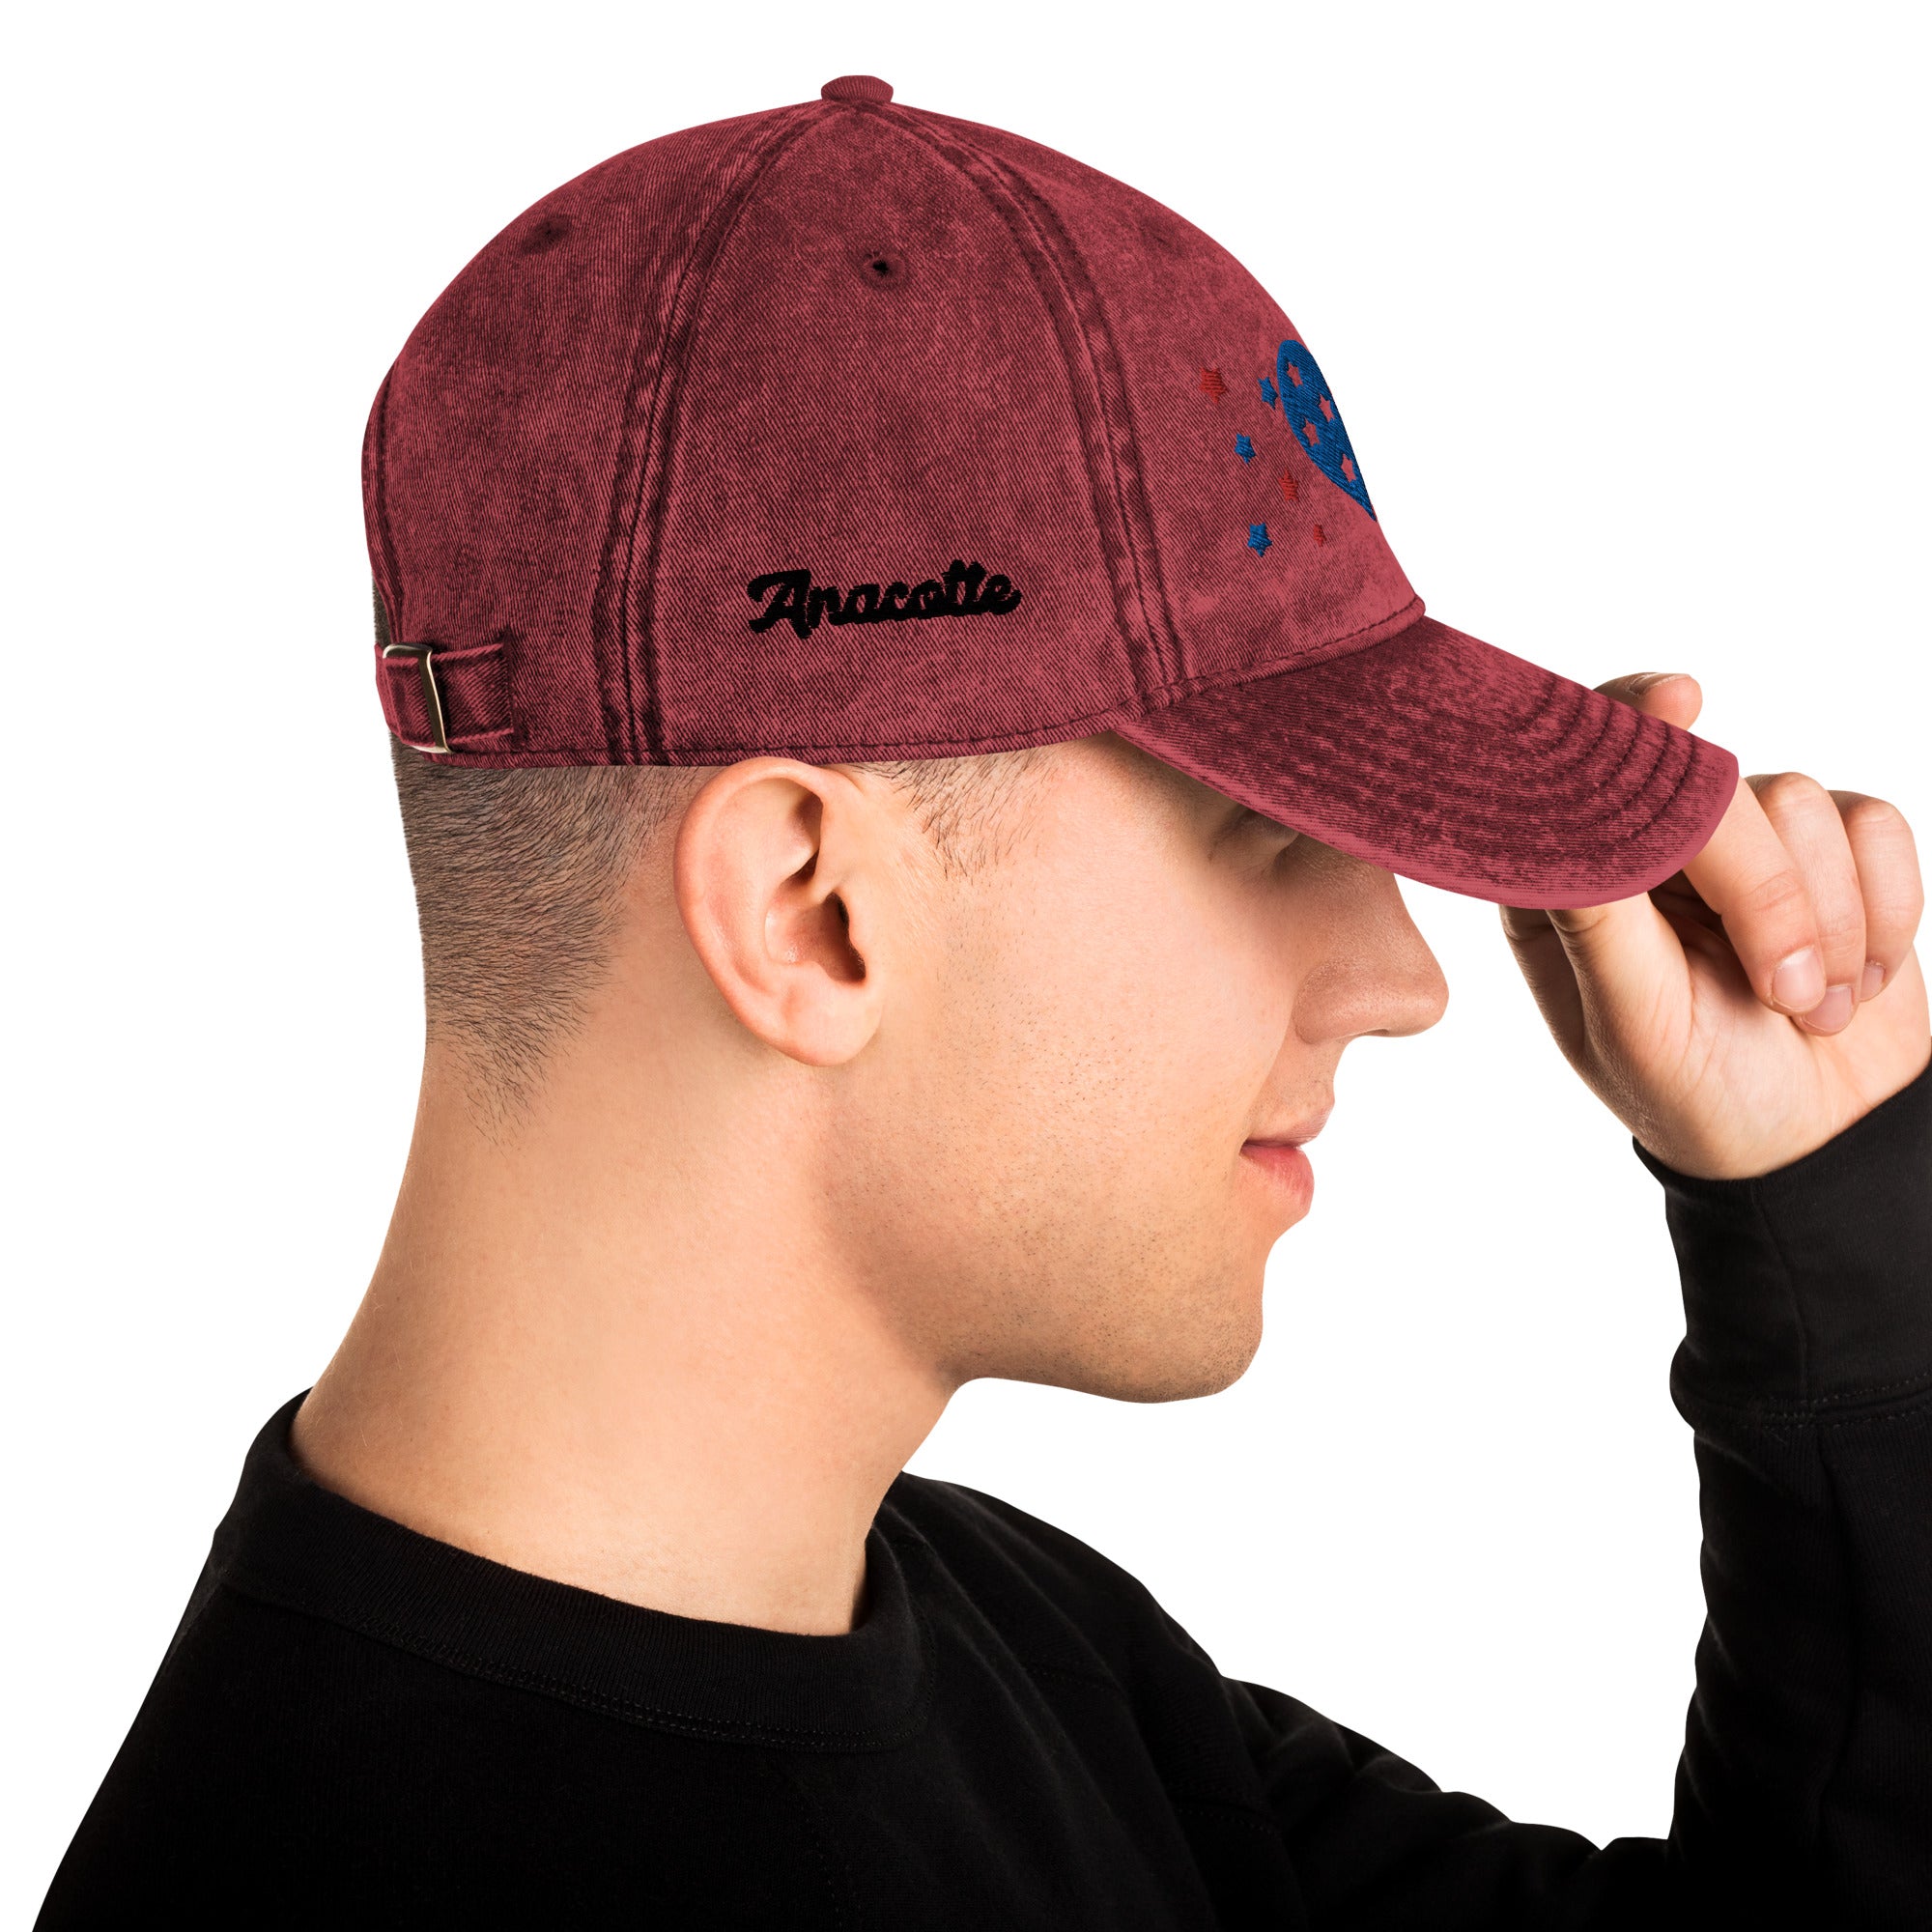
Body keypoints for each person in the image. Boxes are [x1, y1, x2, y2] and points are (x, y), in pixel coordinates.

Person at [38, 72, 1930, 1930]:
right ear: (811, 911)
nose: (1406, 981)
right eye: (1274, 837)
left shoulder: (1025, 1658)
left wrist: (1836, 1222)